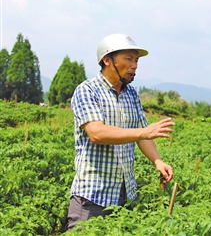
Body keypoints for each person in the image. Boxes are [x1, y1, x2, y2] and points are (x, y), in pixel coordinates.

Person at [67, 33, 175, 230]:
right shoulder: (87, 91)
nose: (134, 65)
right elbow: (97, 133)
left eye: (136, 60)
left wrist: (157, 161)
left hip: (124, 196)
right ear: (107, 60)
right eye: (128, 59)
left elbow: (143, 134)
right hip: (93, 197)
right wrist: (142, 133)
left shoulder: (131, 94)